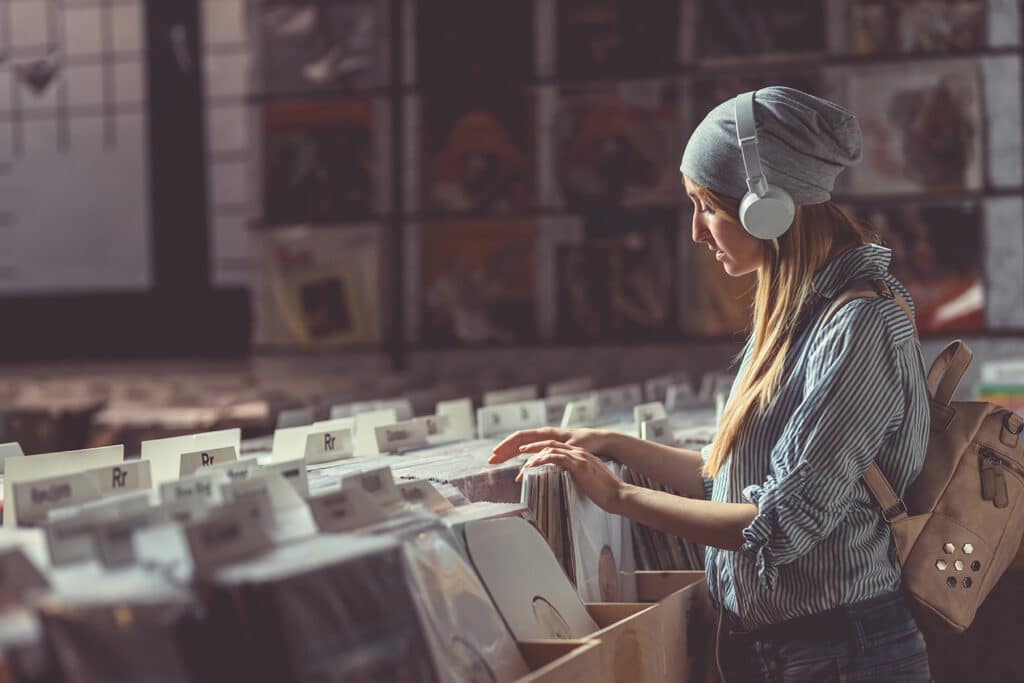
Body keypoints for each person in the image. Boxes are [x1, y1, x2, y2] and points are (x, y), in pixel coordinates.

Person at [489, 86, 932, 682]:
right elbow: (727, 476)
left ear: (768, 208)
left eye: (708, 207)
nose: (697, 232)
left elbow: (776, 521)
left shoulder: (859, 325)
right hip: (794, 650)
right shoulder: (798, 314)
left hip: (845, 651)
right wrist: (611, 445)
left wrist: (619, 498)